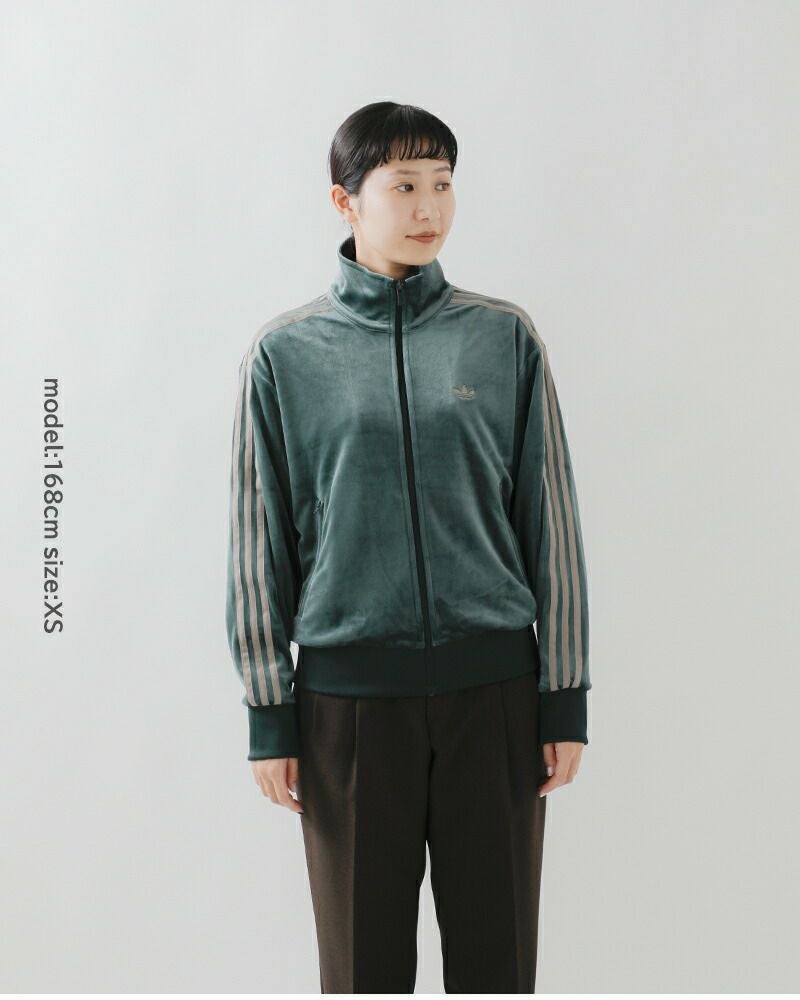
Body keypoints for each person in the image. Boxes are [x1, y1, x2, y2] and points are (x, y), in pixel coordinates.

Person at [225, 100, 591, 994]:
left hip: (493, 700)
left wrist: (563, 697)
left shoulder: (502, 337)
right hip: (348, 711)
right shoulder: (285, 356)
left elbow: (550, 521)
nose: (429, 208)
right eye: (404, 186)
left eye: (443, 184)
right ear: (345, 201)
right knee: (363, 972)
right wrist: (271, 712)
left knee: (497, 967)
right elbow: (257, 542)